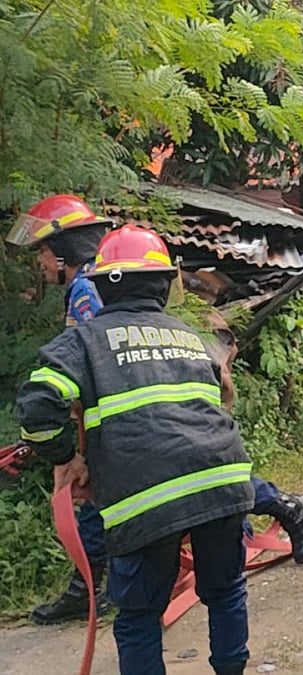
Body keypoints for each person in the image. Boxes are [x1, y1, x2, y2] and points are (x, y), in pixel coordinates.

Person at [6, 195, 303, 627]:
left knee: (174, 473)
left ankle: (284, 505)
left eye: (42, 251)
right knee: (119, 490)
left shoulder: (91, 292)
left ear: (63, 251)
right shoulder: (91, 286)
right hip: (120, 422)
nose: (39, 262)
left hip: (138, 419)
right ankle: (87, 588)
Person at [16, 224, 255, 673]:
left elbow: (37, 405)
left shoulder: (83, 341)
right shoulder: (188, 336)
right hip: (223, 480)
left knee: (140, 616)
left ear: (102, 286)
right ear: (165, 284)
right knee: (225, 592)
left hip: (143, 497)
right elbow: (221, 396)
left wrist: (65, 458)